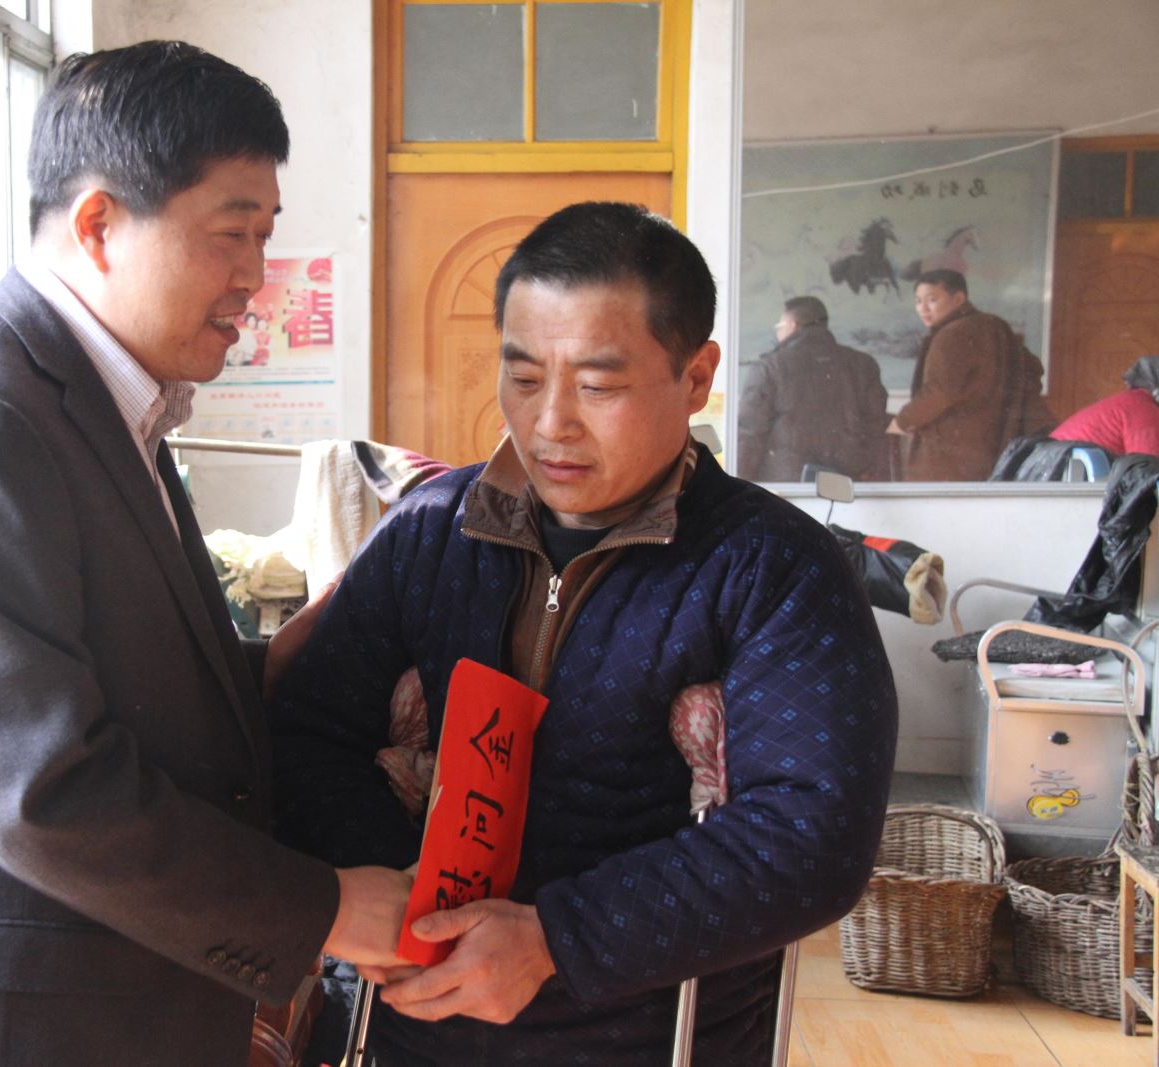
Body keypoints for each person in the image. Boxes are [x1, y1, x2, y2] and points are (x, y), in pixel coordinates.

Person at [0, 42, 410, 1067]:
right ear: (98, 225)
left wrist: (289, 655)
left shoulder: (106, 403)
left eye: (265, 239)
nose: (254, 281)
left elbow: (132, 683)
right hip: (10, 1032)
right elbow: (40, 790)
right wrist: (326, 908)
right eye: (231, 235)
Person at [270, 202, 899, 1065]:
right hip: (407, 1024)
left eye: (598, 386)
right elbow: (309, 731)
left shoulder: (774, 568)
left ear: (696, 376)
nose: (550, 423)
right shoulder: (429, 532)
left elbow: (809, 832)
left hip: (656, 1039)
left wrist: (555, 940)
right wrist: (407, 902)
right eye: (524, 378)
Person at [888, 269, 1055, 480]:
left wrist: (902, 422)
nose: (923, 308)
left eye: (932, 300)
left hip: (950, 456)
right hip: (996, 445)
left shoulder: (951, 333)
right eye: (918, 301)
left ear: (958, 299)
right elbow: (1034, 370)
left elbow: (939, 392)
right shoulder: (996, 326)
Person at [737, 294, 888, 481]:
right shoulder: (863, 365)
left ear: (792, 325)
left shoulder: (769, 368)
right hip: (847, 482)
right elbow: (876, 426)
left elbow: (749, 433)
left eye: (779, 327)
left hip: (785, 483)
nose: (777, 333)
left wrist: (738, 484)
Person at [1048, 354, 1159, 458]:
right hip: (1063, 466)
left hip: (1053, 463)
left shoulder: (1134, 401)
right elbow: (1149, 464)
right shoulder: (1144, 410)